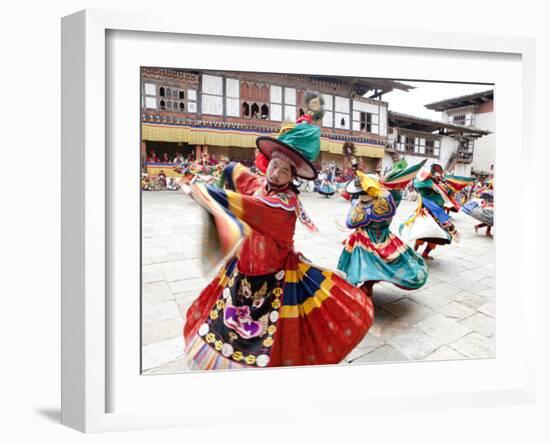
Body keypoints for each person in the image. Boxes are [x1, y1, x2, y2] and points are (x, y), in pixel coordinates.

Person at [183, 91, 374, 370]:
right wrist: (221, 174)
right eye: (274, 166)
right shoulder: (263, 186)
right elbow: (240, 175)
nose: (276, 174)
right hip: (243, 273)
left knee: (276, 339)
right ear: (267, 163)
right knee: (225, 331)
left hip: (275, 279)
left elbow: (249, 207)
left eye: (285, 171)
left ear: (293, 178)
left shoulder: (282, 206)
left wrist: (206, 192)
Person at [337, 160, 428, 298]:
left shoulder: (364, 203)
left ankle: (366, 288)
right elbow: (395, 195)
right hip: (379, 239)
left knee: (366, 265)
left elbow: (352, 221)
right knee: (371, 265)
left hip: (367, 240)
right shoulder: (386, 200)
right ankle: (367, 287)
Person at [399, 164, 460, 260]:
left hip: (438, 215)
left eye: (439, 173)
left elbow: (448, 194)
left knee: (437, 236)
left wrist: (452, 189)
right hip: (426, 212)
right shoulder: (424, 183)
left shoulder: (440, 185)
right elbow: (418, 184)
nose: (438, 175)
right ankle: (414, 251)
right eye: (436, 172)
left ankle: (425, 253)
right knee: (421, 234)